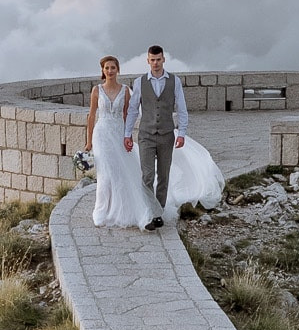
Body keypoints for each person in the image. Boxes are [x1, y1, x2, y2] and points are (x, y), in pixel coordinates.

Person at [120, 45, 223, 228]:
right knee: (147, 176)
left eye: (158, 59)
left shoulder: (174, 81)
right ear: (148, 61)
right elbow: (134, 110)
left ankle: (158, 211)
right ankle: (151, 213)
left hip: (167, 134)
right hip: (146, 135)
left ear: (163, 59)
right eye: (152, 60)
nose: (155, 63)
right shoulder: (139, 82)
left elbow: (181, 108)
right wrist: (127, 133)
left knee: (164, 176)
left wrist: (182, 132)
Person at [84, 55, 150, 228]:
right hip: (102, 135)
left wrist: (128, 136)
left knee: (121, 172)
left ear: (118, 70)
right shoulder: (96, 90)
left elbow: (128, 115)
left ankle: (123, 210)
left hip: (119, 133)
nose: (110, 71)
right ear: (103, 70)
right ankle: (101, 211)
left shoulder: (126, 90)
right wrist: (88, 141)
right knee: (104, 175)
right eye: (107, 68)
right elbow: (91, 116)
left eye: (113, 68)